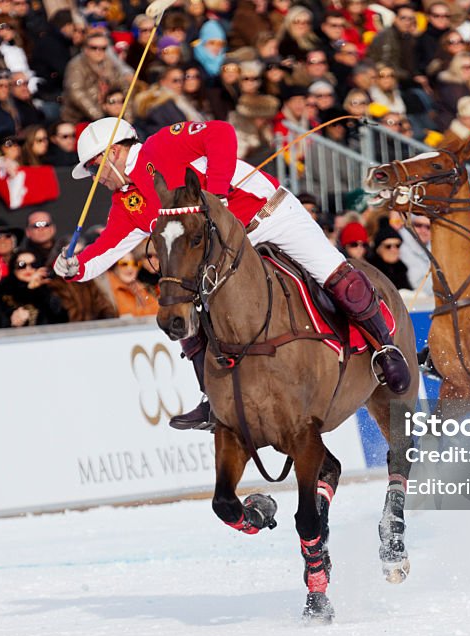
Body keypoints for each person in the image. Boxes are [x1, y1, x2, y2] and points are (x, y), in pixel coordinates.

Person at [54, 117, 411, 430]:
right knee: (187, 309)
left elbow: (221, 133)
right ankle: (212, 398)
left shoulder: (163, 144)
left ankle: (385, 349)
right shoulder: (127, 201)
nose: (94, 177)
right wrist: (76, 267)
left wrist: (219, 193)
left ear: (114, 152)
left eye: (94, 166)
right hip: (226, 250)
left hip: (269, 217)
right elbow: (109, 246)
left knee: (335, 275)